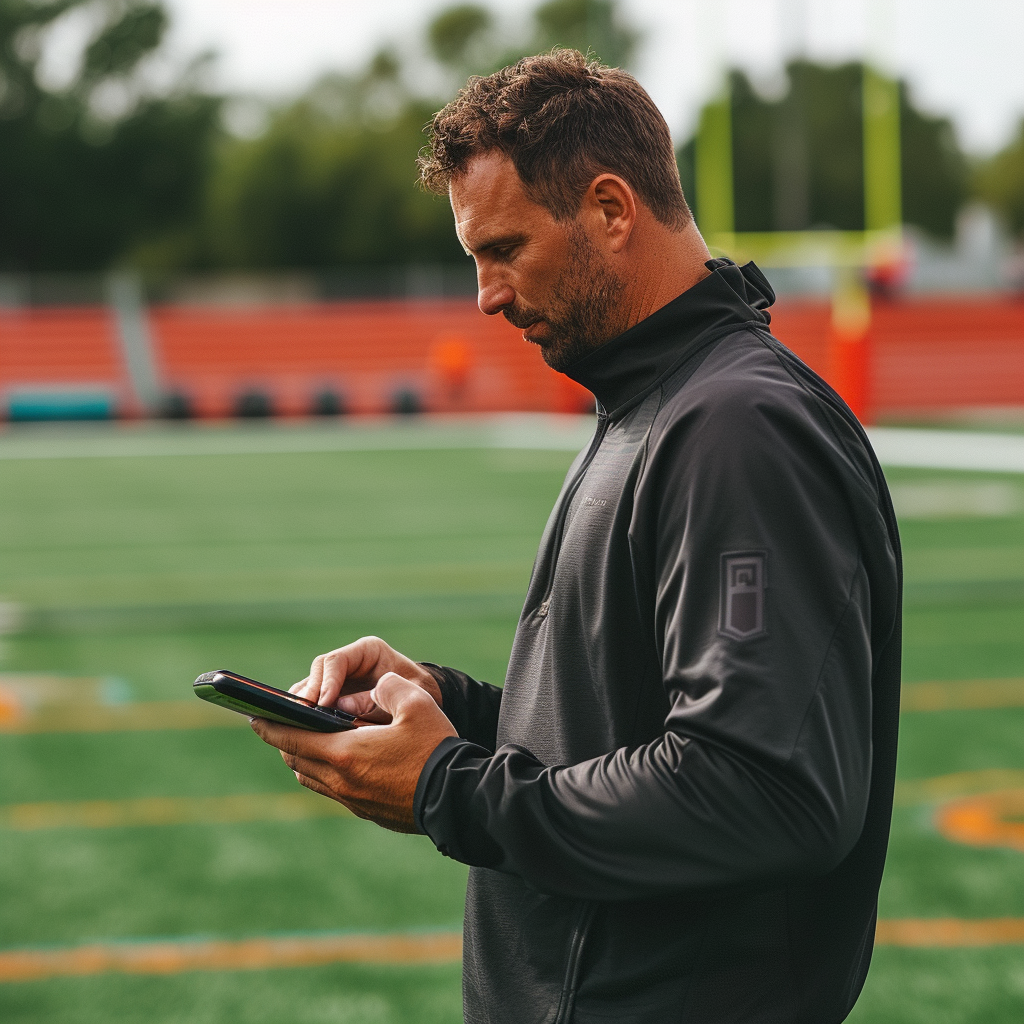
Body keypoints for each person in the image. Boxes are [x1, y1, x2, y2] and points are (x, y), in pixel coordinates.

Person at [252, 49, 902, 1024]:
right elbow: (629, 723)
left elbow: (761, 788)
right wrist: (451, 707)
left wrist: (449, 788)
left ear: (609, 207)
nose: (486, 296)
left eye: (502, 248)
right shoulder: (652, 400)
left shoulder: (735, 429)